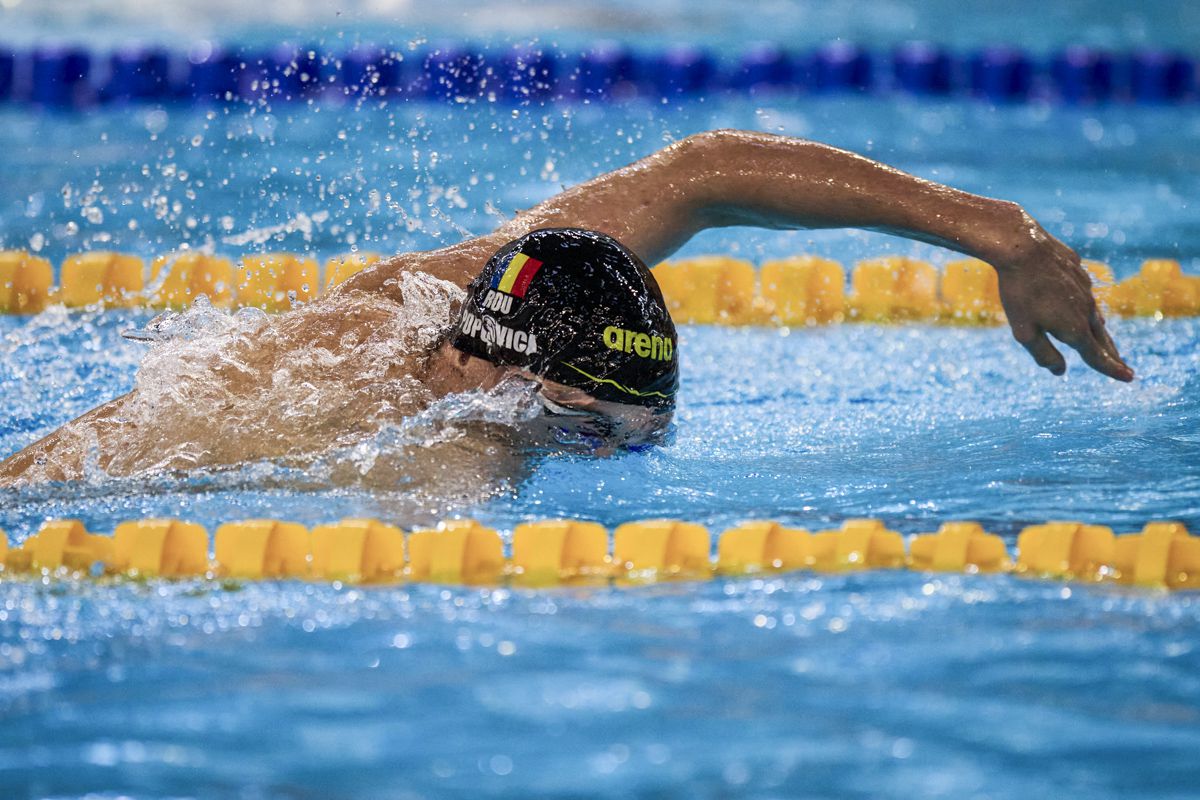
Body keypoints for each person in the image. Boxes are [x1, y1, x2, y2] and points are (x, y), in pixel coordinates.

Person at [0, 129, 1132, 487]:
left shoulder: (496, 285)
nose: (601, 455)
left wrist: (1003, 233)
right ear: (517, 384)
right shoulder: (453, 451)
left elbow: (704, 172)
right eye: (596, 432)